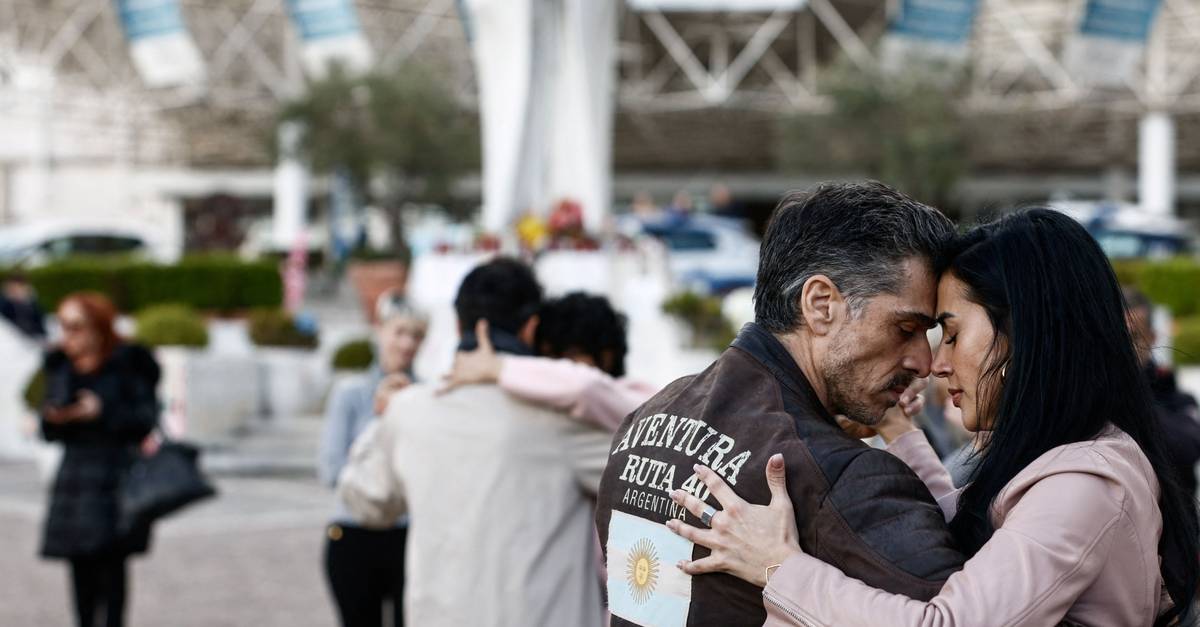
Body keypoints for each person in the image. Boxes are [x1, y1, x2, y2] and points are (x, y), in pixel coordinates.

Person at [667, 209, 1200, 627]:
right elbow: (972, 542)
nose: (936, 363)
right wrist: (899, 434)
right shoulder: (1067, 456)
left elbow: (950, 620)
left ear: (1025, 335)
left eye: (951, 333)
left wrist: (777, 568)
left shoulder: (1083, 484)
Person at [594, 181, 966, 627]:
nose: (923, 362)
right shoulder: (841, 475)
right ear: (821, 305)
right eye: (905, 328)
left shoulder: (647, 418)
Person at [337, 258, 613, 627]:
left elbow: (364, 500)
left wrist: (383, 418)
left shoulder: (410, 411)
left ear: (456, 325)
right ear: (531, 328)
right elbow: (649, 468)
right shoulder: (562, 417)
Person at [38, 292, 160, 627]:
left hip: (114, 478)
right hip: (75, 481)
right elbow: (46, 429)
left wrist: (101, 411)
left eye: (76, 326)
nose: (68, 335)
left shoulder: (127, 365)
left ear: (98, 327)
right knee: (80, 573)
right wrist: (56, 417)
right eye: (63, 326)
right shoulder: (61, 366)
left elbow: (145, 420)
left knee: (112, 571)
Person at [318, 292, 427, 627]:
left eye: (416, 335)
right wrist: (381, 421)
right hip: (354, 533)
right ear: (380, 331)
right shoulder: (350, 393)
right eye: (400, 332)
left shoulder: (428, 395)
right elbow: (331, 469)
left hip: (410, 536)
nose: (407, 343)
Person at [440, 291, 656, 431]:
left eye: (568, 358)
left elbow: (585, 387)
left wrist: (498, 367)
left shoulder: (638, 399)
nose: (554, 367)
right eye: (549, 358)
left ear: (607, 356)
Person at [1125, 286, 1200, 496]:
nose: (1124, 350)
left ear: (1153, 337)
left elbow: (1187, 447)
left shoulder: (1173, 394)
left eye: (1133, 338)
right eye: (1116, 338)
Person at [1, 271, 47, 340]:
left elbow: (40, 320)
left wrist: (28, 300)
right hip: (12, 338)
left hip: (33, 337)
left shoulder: (31, 301)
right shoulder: (5, 302)